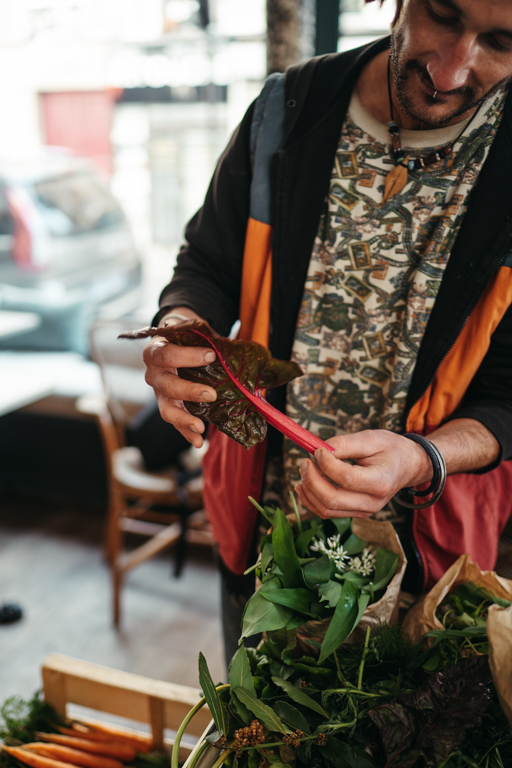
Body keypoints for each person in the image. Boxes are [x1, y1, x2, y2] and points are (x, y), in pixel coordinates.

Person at [144, 0, 512, 663]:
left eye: (501, 43)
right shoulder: (288, 110)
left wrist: (421, 459)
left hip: (429, 566)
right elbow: (206, 265)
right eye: (441, 14)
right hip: (262, 534)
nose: (454, 69)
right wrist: (178, 332)